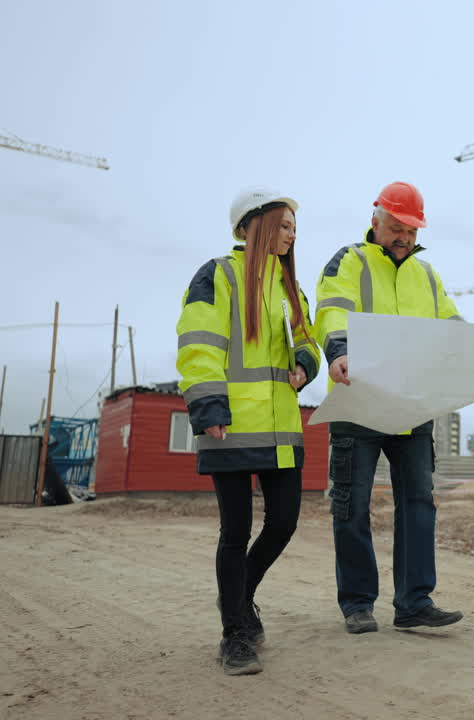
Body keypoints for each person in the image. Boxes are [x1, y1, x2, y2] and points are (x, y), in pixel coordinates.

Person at [176, 188, 321, 675]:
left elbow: (309, 340)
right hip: (231, 426)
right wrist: (209, 405)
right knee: (235, 532)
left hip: (282, 429)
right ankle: (235, 632)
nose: (291, 234)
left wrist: (305, 362)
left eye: (294, 228)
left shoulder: (290, 287)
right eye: (283, 225)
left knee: (284, 522)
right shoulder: (218, 275)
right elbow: (199, 343)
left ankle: (239, 597)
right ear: (248, 227)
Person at [315, 181, 465, 634]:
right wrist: (338, 349)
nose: (404, 237)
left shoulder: (427, 275)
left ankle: (414, 602)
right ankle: (358, 603)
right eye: (396, 227)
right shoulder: (350, 261)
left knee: (418, 502)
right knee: (353, 505)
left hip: (411, 405)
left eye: (412, 229)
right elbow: (331, 310)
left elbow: (450, 325)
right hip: (357, 399)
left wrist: (472, 353)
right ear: (375, 218)